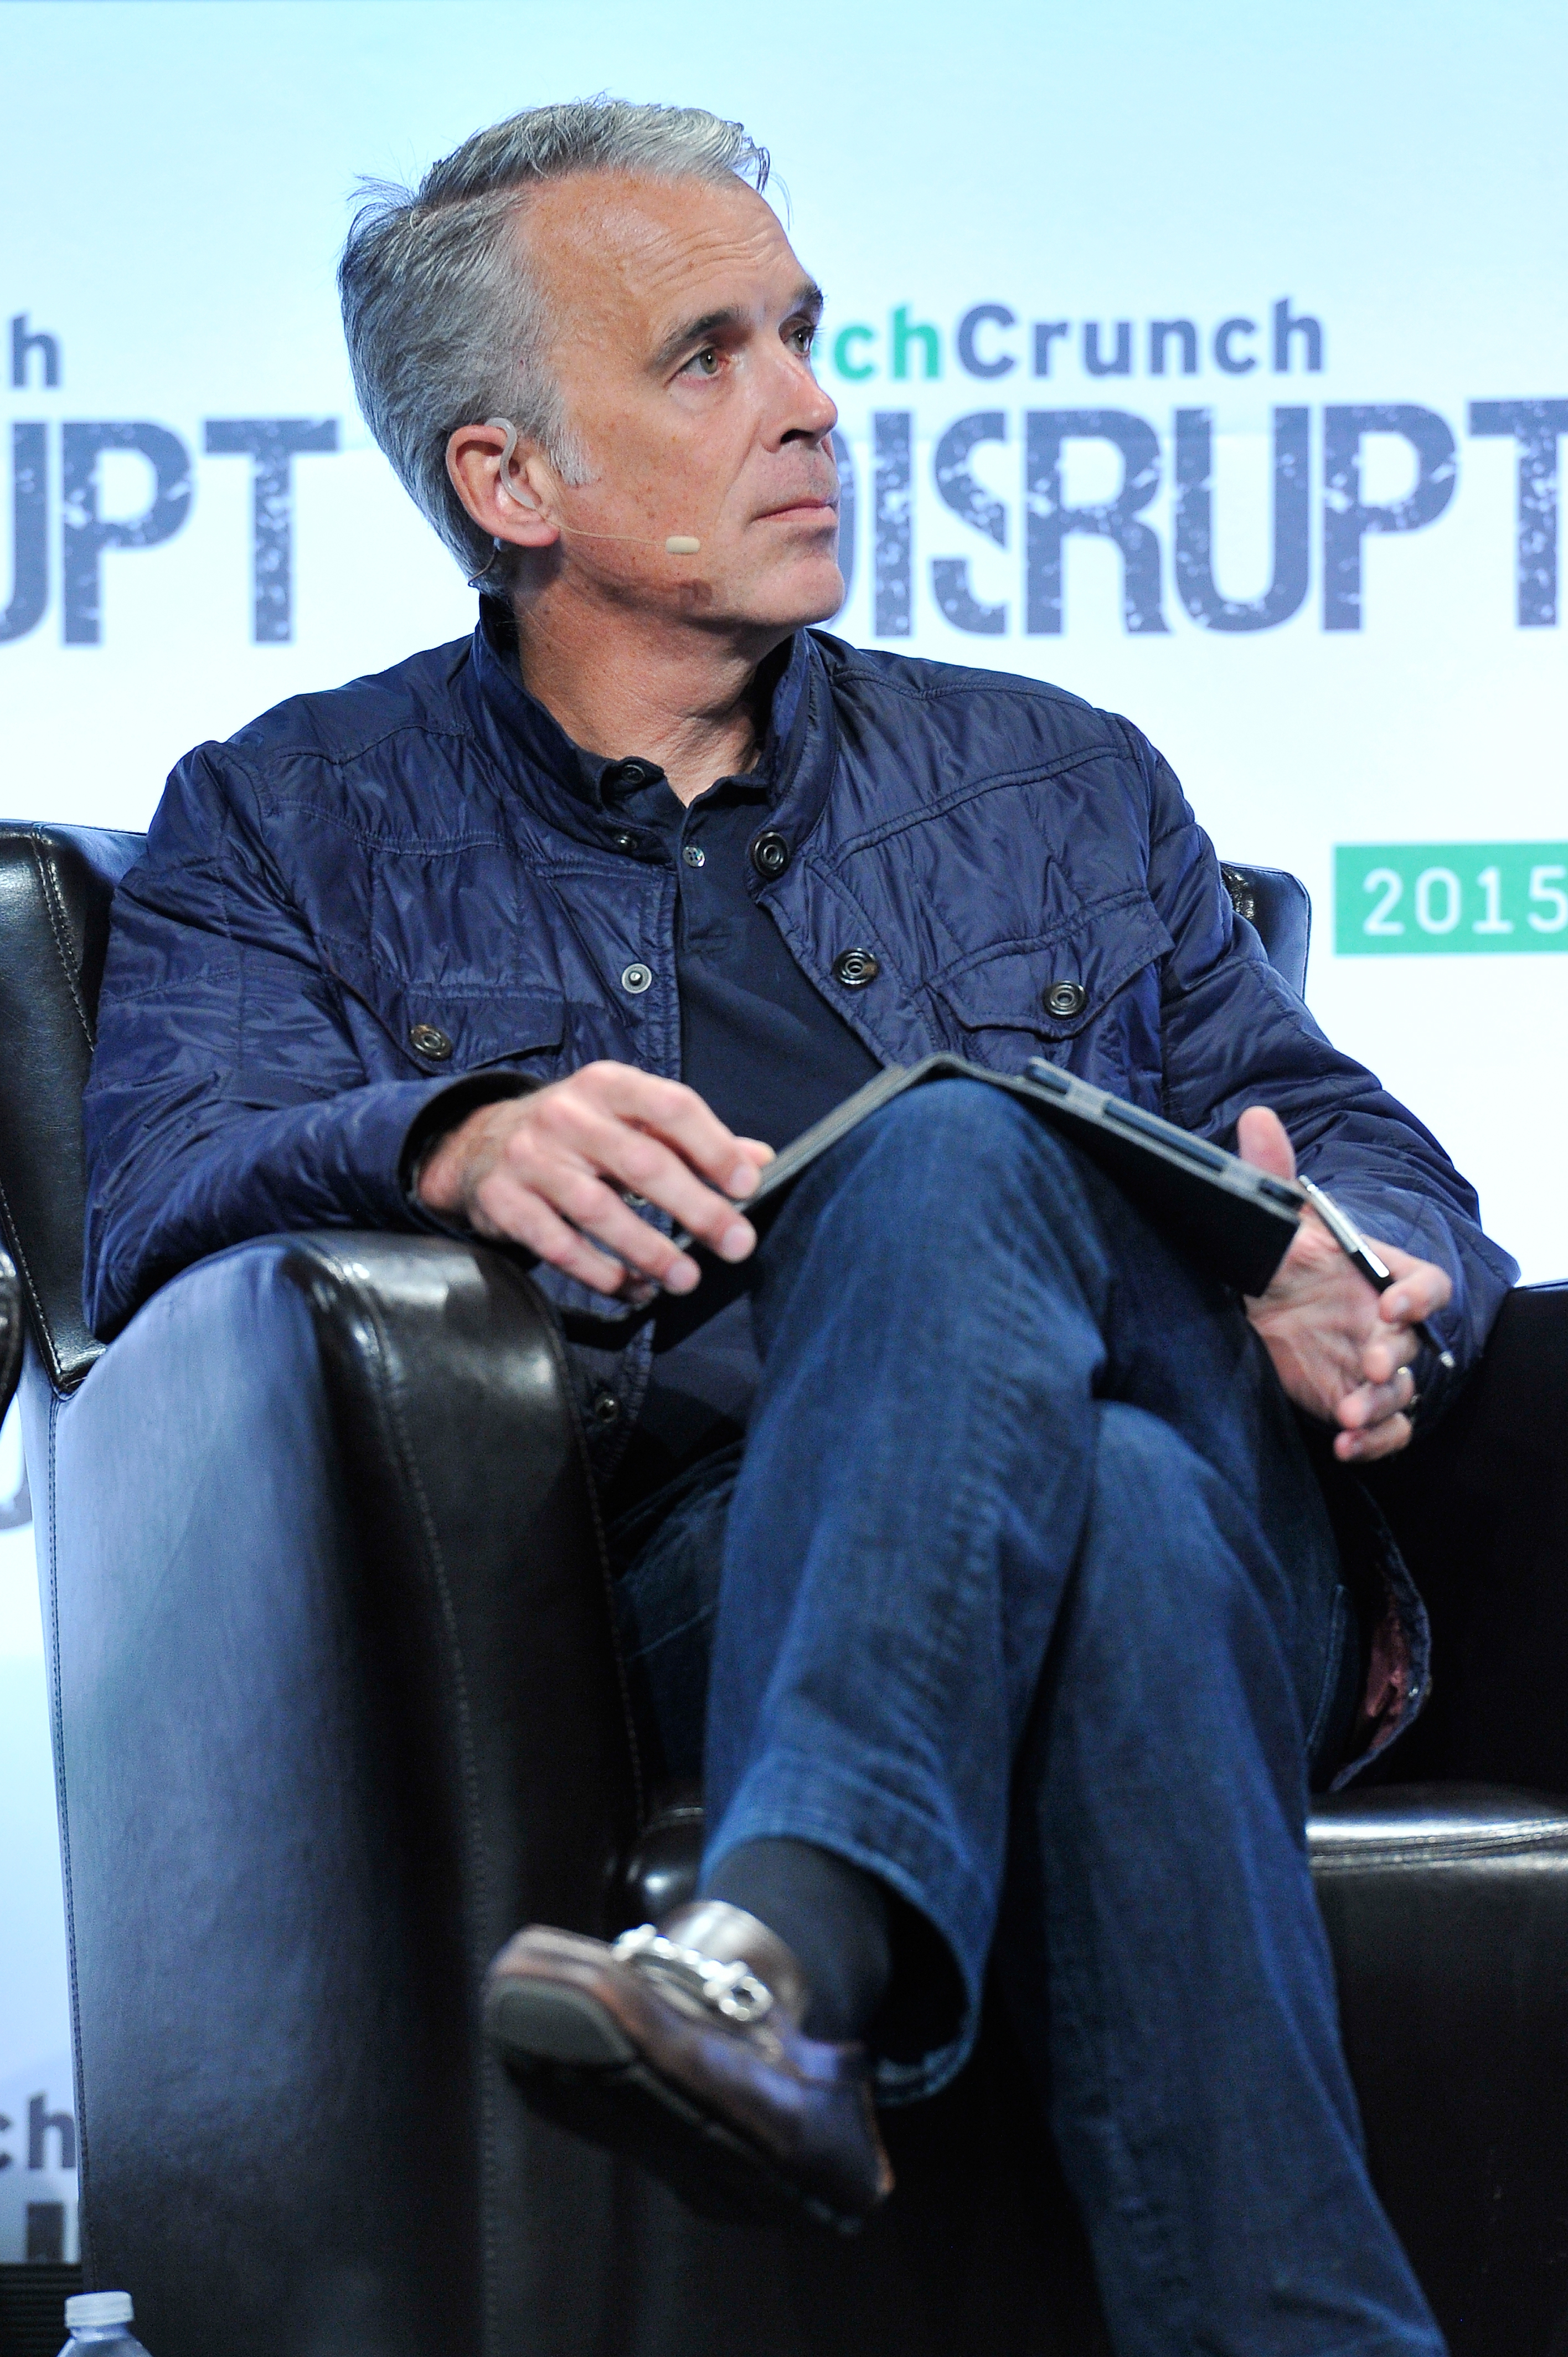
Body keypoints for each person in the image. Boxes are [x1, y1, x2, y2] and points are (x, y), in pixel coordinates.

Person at [81, 100, 1516, 2357]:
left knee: (960, 1166)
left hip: (1262, 1518)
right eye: (708, 355)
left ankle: (788, 1946)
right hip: (699, 1566)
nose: (815, 401)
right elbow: (142, 1203)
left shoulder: (1062, 775)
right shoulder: (283, 824)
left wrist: (1375, 1252)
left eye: (809, 333)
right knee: (1105, 1512)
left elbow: (1343, 1125)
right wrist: (434, 1133)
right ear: (507, 483)